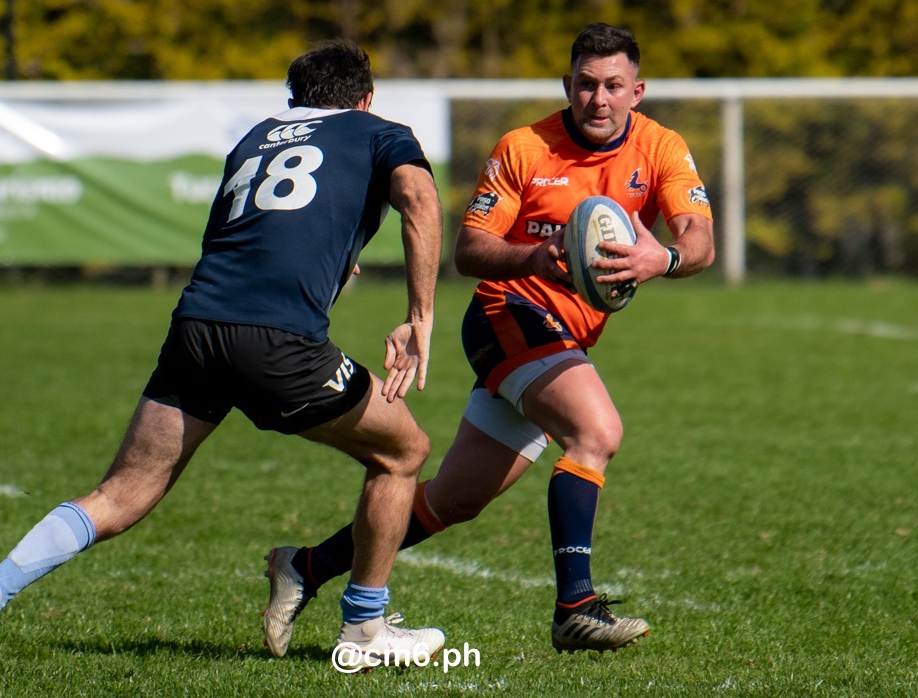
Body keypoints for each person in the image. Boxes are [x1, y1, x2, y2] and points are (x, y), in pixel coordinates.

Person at [0, 39, 445, 683]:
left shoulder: (253, 138)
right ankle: (365, 623)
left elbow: (244, 233)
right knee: (403, 452)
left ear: (293, 100)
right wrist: (420, 316)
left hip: (197, 326)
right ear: (365, 98)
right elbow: (418, 199)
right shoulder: (378, 131)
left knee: (121, 492)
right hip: (275, 340)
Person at [262, 22, 714, 657]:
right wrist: (535, 256)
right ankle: (575, 608)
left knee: (456, 498)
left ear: (637, 91)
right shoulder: (525, 147)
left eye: (614, 86)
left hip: (565, 340)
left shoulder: (663, 148)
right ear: (568, 85)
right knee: (596, 432)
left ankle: (304, 566)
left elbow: (699, 241)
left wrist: (659, 258)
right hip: (509, 314)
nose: (599, 99)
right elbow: (469, 250)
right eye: (585, 85)